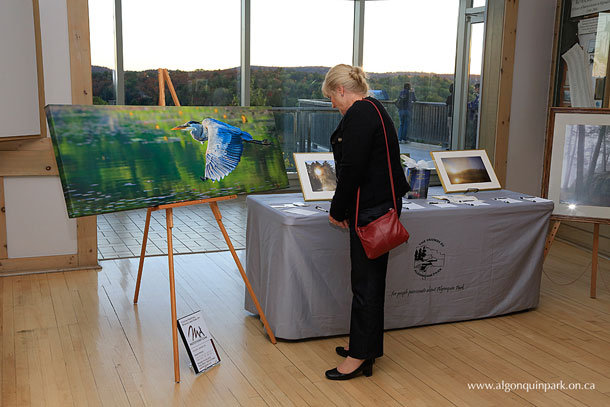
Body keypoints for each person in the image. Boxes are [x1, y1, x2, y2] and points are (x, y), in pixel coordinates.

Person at [321, 64, 410, 380]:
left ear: (342, 90)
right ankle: (365, 348)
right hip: (381, 206)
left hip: (370, 210)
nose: (333, 104)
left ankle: (359, 355)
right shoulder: (375, 108)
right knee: (369, 282)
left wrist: (337, 209)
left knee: (366, 284)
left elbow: (352, 168)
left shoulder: (359, 114)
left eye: (332, 96)